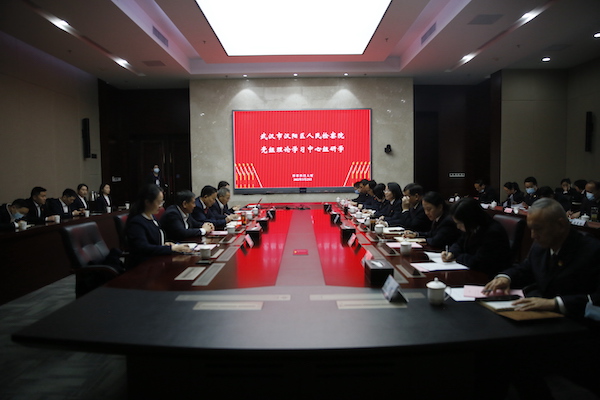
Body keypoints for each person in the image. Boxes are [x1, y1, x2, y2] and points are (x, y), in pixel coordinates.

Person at [125, 184, 192, 268]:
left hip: (157, 261)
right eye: (158, 202)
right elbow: (143, 248)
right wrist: (171, 249)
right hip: (143, 266)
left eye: (162, 202)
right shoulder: (136, 222)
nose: (161, 206)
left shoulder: (152, 217)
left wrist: (164, 244)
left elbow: (154, 240)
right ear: (147, 202)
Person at [442, 198, 511, 278]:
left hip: (489, 277)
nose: (458, 227)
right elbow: (459, 243)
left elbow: (477, 262)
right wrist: (452, 253)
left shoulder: (493, 233)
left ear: (470, 219)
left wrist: (457, 257)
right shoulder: (473, 227)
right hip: (472, 271)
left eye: (459, 223)